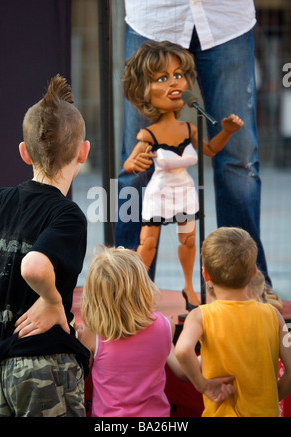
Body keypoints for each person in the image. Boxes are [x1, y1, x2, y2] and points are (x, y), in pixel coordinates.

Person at [114, 0, 273, 294]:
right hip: (154, 15)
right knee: (136, 163)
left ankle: (246, 286)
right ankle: (124, 291)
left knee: (240, 162)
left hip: (226, 17)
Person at [0, 75, 91, 417]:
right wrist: (51, 300)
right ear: (83, 151)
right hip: (43, 366)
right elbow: (34, 265)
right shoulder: (69, 215)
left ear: (23, 152)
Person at [122, 40, 243, 308]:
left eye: (178, 75)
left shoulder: (189, 128)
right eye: (162, 78)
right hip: (160, 193)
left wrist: (226, 131)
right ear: (144, 90)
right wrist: (137, 162)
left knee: (189, 240)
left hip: (185, 192)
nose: (174, 83)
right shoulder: (148, 134)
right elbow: (129, 165)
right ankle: (137, 289)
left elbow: (210, 149)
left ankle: (189, 287)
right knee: (148, 243)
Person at [175, 227, 291, 417]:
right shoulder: (273, 315)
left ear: (205, 275)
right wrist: (273, 396)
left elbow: (182, 350)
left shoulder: (201, 315)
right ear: (254, 271)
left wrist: (203, 385)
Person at [80, 246, 189, 417]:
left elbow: (78, 378)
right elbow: (183, 372)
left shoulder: (93, 334)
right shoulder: (165, 326)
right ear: (143, 287)